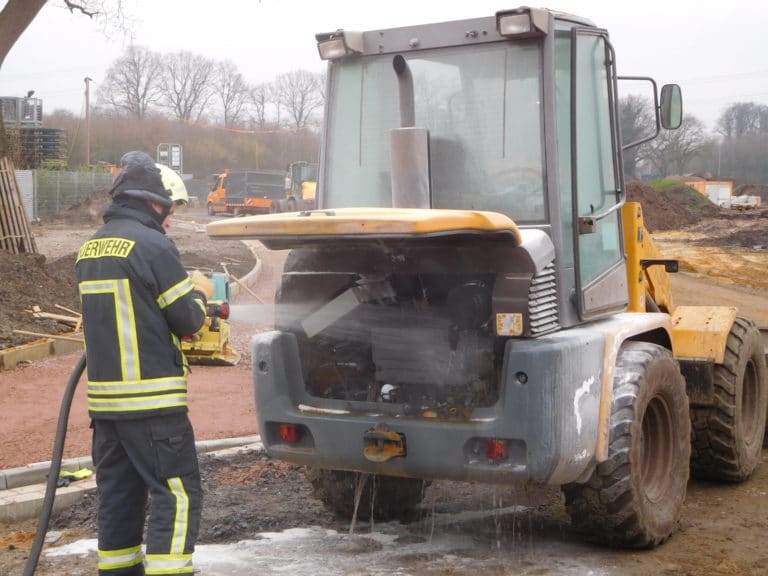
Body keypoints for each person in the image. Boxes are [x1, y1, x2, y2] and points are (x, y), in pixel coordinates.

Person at [75, 151, 213, 576]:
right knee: (177, 495)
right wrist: (202, 294)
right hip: (153, 405)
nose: (170, 218)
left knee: (119, 496)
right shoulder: (153, 246)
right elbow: (188, 320)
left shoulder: (89, 249)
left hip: (107, 409)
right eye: (170, 209)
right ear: (155, 202)